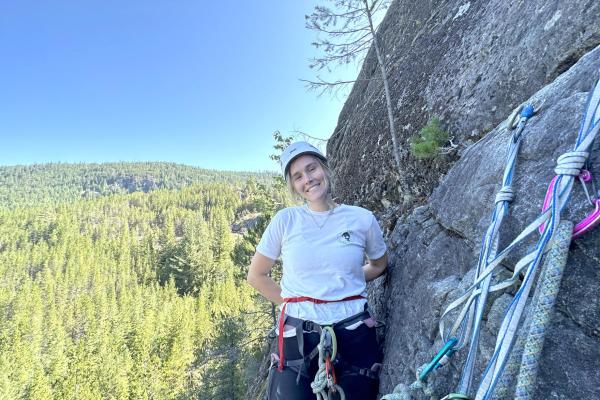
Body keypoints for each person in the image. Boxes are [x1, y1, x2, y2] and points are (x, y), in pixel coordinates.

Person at [247, 141, 388, 400]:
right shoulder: (286, 221)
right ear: (293, 186)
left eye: (312, 169)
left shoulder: (361, 219)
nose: (308, 179)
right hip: (298, 337)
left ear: (324, 168)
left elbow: (379, 264)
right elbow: (256, 275)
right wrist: (295, 303)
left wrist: (346, 283)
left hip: (353, 332)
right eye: (298, 176)